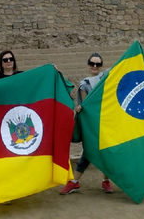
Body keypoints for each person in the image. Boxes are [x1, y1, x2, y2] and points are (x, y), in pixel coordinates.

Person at [60, 52, 114, 195]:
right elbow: (85, 106)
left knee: (106, 150)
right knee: (89, 150)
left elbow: (119, 68)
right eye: (92, 64)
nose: (95, 66)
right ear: (88, 65)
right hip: (92, 123)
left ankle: (105, 180)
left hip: (106, 120)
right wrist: (78, 108)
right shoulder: (85, 84)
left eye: (98, 64)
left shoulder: (106, 78)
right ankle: (75, 182)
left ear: (101, 66)